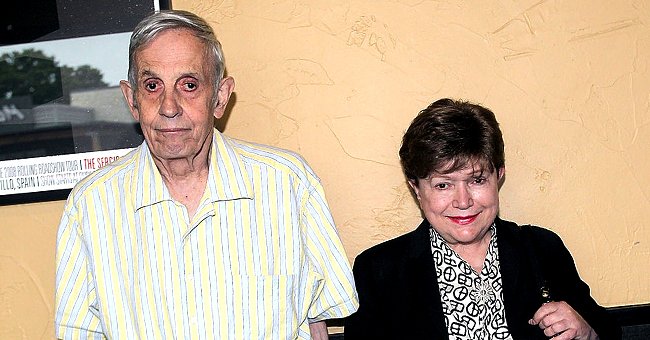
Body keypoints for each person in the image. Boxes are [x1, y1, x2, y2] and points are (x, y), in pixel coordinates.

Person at [54, 10, 358, 339]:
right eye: (152, 85)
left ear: (220, 97)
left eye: (189, 85)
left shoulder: (288, 184)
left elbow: (317, 324)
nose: (169, 106)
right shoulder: (91, 205)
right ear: (132, 99)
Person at [344, 98, 620, 340]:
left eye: (477, 180)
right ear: (416, 188)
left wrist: (588, 332)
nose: (463, 202)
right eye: (443, 185)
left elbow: (607, 330)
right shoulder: (379, 271)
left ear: (498, 175)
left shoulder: (541, 249)